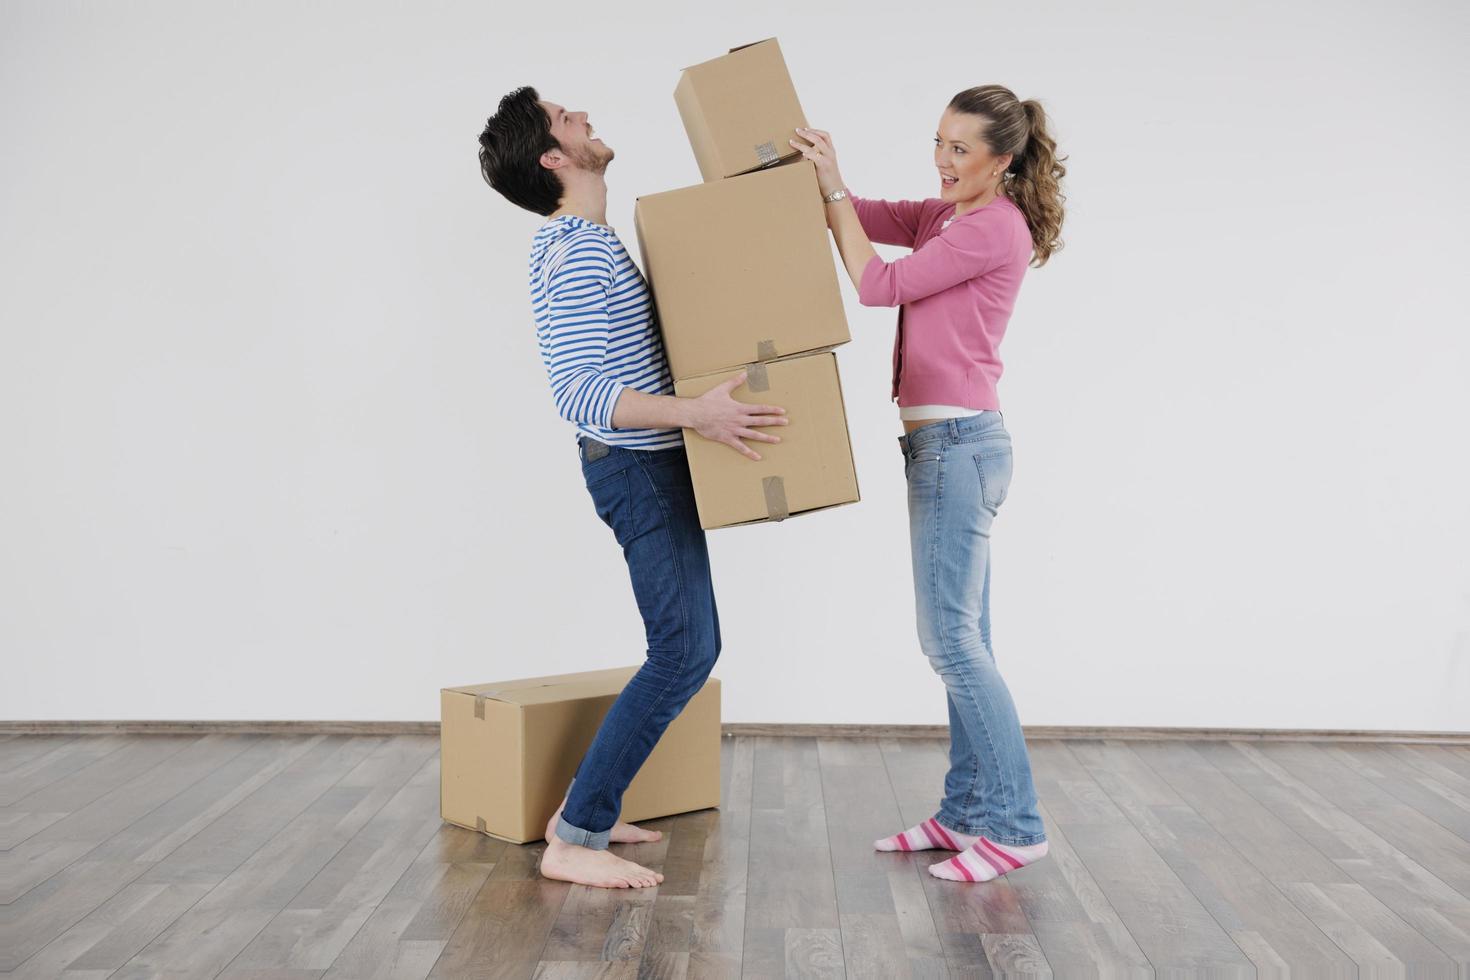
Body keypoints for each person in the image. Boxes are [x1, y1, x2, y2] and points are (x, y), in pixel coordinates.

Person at [477, 87, 790, 889]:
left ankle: (587, 807)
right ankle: (574, 836)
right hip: (637, 469)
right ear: (553, 157)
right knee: (684, 648)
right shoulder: (577, 248)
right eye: (562, 118)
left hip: (646, 465)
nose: (580, 114)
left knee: (690, 645)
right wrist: (698, 416)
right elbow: (578, 391)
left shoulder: (584, 240)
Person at [791, 85, 1067, 883]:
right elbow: (860, 216)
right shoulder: (947, 215)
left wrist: (835, 192)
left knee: (949, 643)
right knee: (965, 640)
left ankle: (1016, 826)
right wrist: (819, 175)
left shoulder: (993, 227)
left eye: (959, 149)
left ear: (1001, 161)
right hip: (943, 448)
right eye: (938, 143)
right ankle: (965, 814)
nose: (942, 161)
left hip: (958, 446)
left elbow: (879, 285)